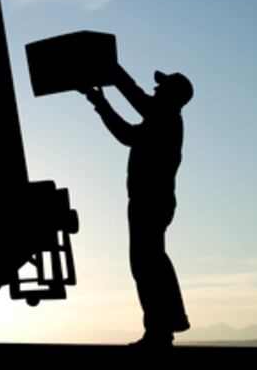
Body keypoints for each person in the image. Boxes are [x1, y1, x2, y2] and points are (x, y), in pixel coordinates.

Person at [81, 66, 193, 347]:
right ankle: (164, 326)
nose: (155, 88)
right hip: (148, 202)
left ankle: (160, 330)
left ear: (172, 96)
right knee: (149, 264)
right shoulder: (159, 121)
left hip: (150, 203)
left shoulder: (166, 118)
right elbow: (126, 135)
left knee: (147, 266)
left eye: (161, 87)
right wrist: (100, 102)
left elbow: (138, 99)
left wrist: (113, 71)